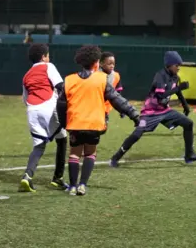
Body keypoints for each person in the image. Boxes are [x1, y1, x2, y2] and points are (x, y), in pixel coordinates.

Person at [57, 45, 140, 196]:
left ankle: (73, 186)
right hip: (95, 124)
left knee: (74, 154)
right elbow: (117, 100)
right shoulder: (101, 79)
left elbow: (61, 105)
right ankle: (82, 185)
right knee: (90, 153)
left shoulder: (69, 80)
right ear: (96, 62)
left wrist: (64, 123)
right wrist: (134, 114)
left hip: (75, 124)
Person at [109, 51, 196, 168]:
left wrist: (185, 105)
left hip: (165, 110)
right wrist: (180, 88)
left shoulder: (174, 76)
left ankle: (189, 155)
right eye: (177, 65)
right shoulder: (160, 76)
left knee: (188, 123)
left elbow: (177, 90)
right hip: (150, 112)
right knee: (137, 134)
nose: (178, 68)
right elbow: (161, 96)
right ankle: (116, 157)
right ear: (169, 65)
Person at [19, 44, 68, 192]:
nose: (49, 58)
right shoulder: (49, 66)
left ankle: (27, 176)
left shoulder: (26, 75)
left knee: (39, 146)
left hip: (32, 110)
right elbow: (60, 86)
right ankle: (57, 178)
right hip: (49, 106)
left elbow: (25, 99)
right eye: (47, 55)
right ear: (43, 57)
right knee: (62, 140)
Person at [99, 52, 125, 125]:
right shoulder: (94, 75)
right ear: (101, 64)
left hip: (105, 109)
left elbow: (118, 95)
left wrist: (121, 109)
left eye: (113, 63)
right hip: (94, 108)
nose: (112, 66)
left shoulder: (116, 76)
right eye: (109, 64)